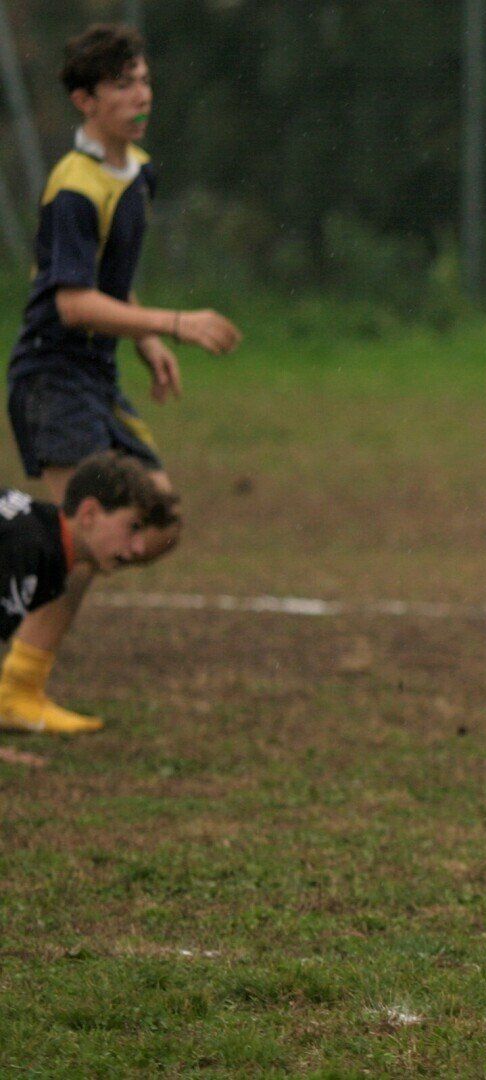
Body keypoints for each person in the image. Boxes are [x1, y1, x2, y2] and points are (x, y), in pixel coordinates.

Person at [0, 24, 241, 735]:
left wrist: (139, 337)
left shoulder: (138, 171)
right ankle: (19, 686)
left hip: (96, 376)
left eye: (144, 81)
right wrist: (171, 323)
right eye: (123, 85)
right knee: (82, 540)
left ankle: (34, 606)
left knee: (157, 517)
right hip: (53, 377)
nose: (141, 96)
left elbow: (102, 285)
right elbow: (69, 301)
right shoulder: (72, 188)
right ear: (84, 100)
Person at [0, 452, 178, 737]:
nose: (138, 549)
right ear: (89, 514)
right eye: (132, 528)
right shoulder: (28, 551)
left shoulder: (42, 544)